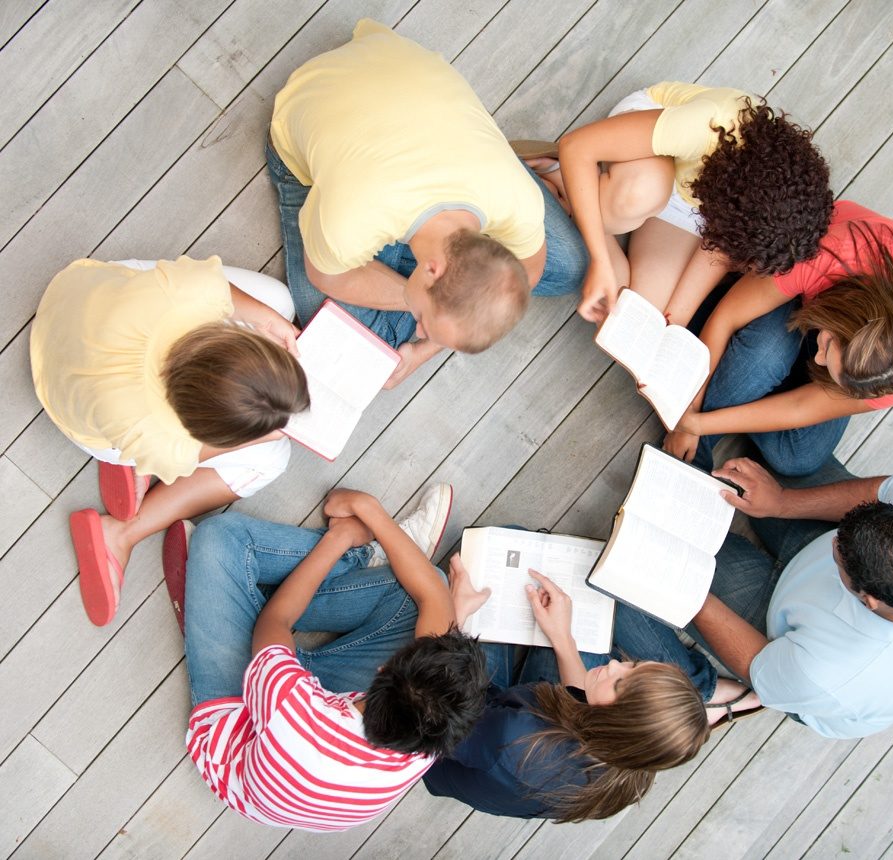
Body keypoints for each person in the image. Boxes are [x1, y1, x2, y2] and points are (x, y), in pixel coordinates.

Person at [267, 18, 587, 388]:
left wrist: (425, 348)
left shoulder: (517, 200)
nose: (420, 330)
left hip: (397, 73)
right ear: (433, 268)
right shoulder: (351, 221)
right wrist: (414, 303)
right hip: (309, 110)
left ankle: (413, 271)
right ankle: (408, 271)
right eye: (425, 321)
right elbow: (323, 275)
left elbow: (528, 271)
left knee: (571, 269)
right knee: (373, 352)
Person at [174, 483, 489, 832]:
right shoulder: (430, 736)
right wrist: (373, 512)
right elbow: (432, 597)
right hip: (313, 719)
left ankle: (346, 558)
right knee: (428, 591)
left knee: (219, 539)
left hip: (243, 725)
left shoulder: (289, 708)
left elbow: (276, 620)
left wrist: (339, 537)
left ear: (382, 670)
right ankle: (230, 599)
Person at [30, 256, 308, 626]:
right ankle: (122, 531)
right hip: (82, 418)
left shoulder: (183, 296)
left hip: (71, 302)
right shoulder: (165, 439)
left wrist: (269, 321)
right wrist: (259, 437)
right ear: (207, 426)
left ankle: (133, 471)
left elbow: (215, 288)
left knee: (279, 302)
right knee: (273, 458)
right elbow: (196, 450)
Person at [423, 558, 761, 820]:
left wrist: (456, 619)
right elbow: (578, 706)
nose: (613, 664)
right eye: (631, 665)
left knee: (446, 584)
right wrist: (562, 637)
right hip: (521, 725)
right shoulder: (630, 766)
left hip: (443, 730)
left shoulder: (516, 737)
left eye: (619, 682)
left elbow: (432, 710)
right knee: (561, 596)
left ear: (617, 724)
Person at [690, 455, 893, 739]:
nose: (835, 541)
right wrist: (782, 502)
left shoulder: (833, 674)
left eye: (838, 554)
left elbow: (756, 664)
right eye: (841, 536)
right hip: (848, 558)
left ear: (868, 600)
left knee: (684, 554)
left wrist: (689, 588)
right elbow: (876, 493)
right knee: (772, 463)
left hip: (781, 647)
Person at [665, 202, 893, 476]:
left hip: (842, 329)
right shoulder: (831, 254)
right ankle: (739, 394)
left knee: (798, 457)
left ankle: (750, 386)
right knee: (764, 357)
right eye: (826, 345)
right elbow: (725, 319)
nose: (818, 356)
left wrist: (700, 423)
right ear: (841, 319)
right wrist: (690, 421)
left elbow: (802, 407)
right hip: (809, 278)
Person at [549, 82, 833, 323]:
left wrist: (674, 322)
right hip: (652, 143)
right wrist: (598, 259)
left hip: (696, 196)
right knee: (639, 196)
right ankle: (563, 177)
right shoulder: (711, 125)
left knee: (635, 315)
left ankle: (577, 203)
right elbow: (576, 146)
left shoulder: (756, 203)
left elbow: (717, 249)